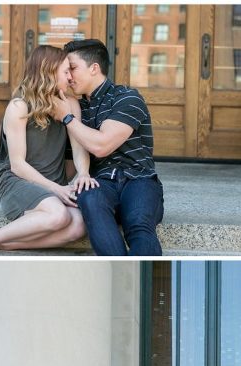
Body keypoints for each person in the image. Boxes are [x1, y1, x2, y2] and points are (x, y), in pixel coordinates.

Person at [0, 45, 98, 255]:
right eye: (65, 71)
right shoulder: (19, 107)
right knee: (59, 215)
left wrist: (83, 174)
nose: (70, 77)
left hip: (53, 185)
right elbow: (18, 165)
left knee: (78, 225)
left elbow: (78, 150)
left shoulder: (71, 105)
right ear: (48, 72)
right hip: (18, 183)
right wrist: (57, 189)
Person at [52, 38, 164, 256]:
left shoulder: (127, 98)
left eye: (72, 68)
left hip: (138, 179)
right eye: (65, 70)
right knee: (89, 197)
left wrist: (67, 118)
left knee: (139, 223)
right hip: (100, 183)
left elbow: (102, 146)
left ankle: (135, 277)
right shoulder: (75, 106)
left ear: (94, 68)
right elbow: (69, 167)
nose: (68, 75)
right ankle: (123, 277)